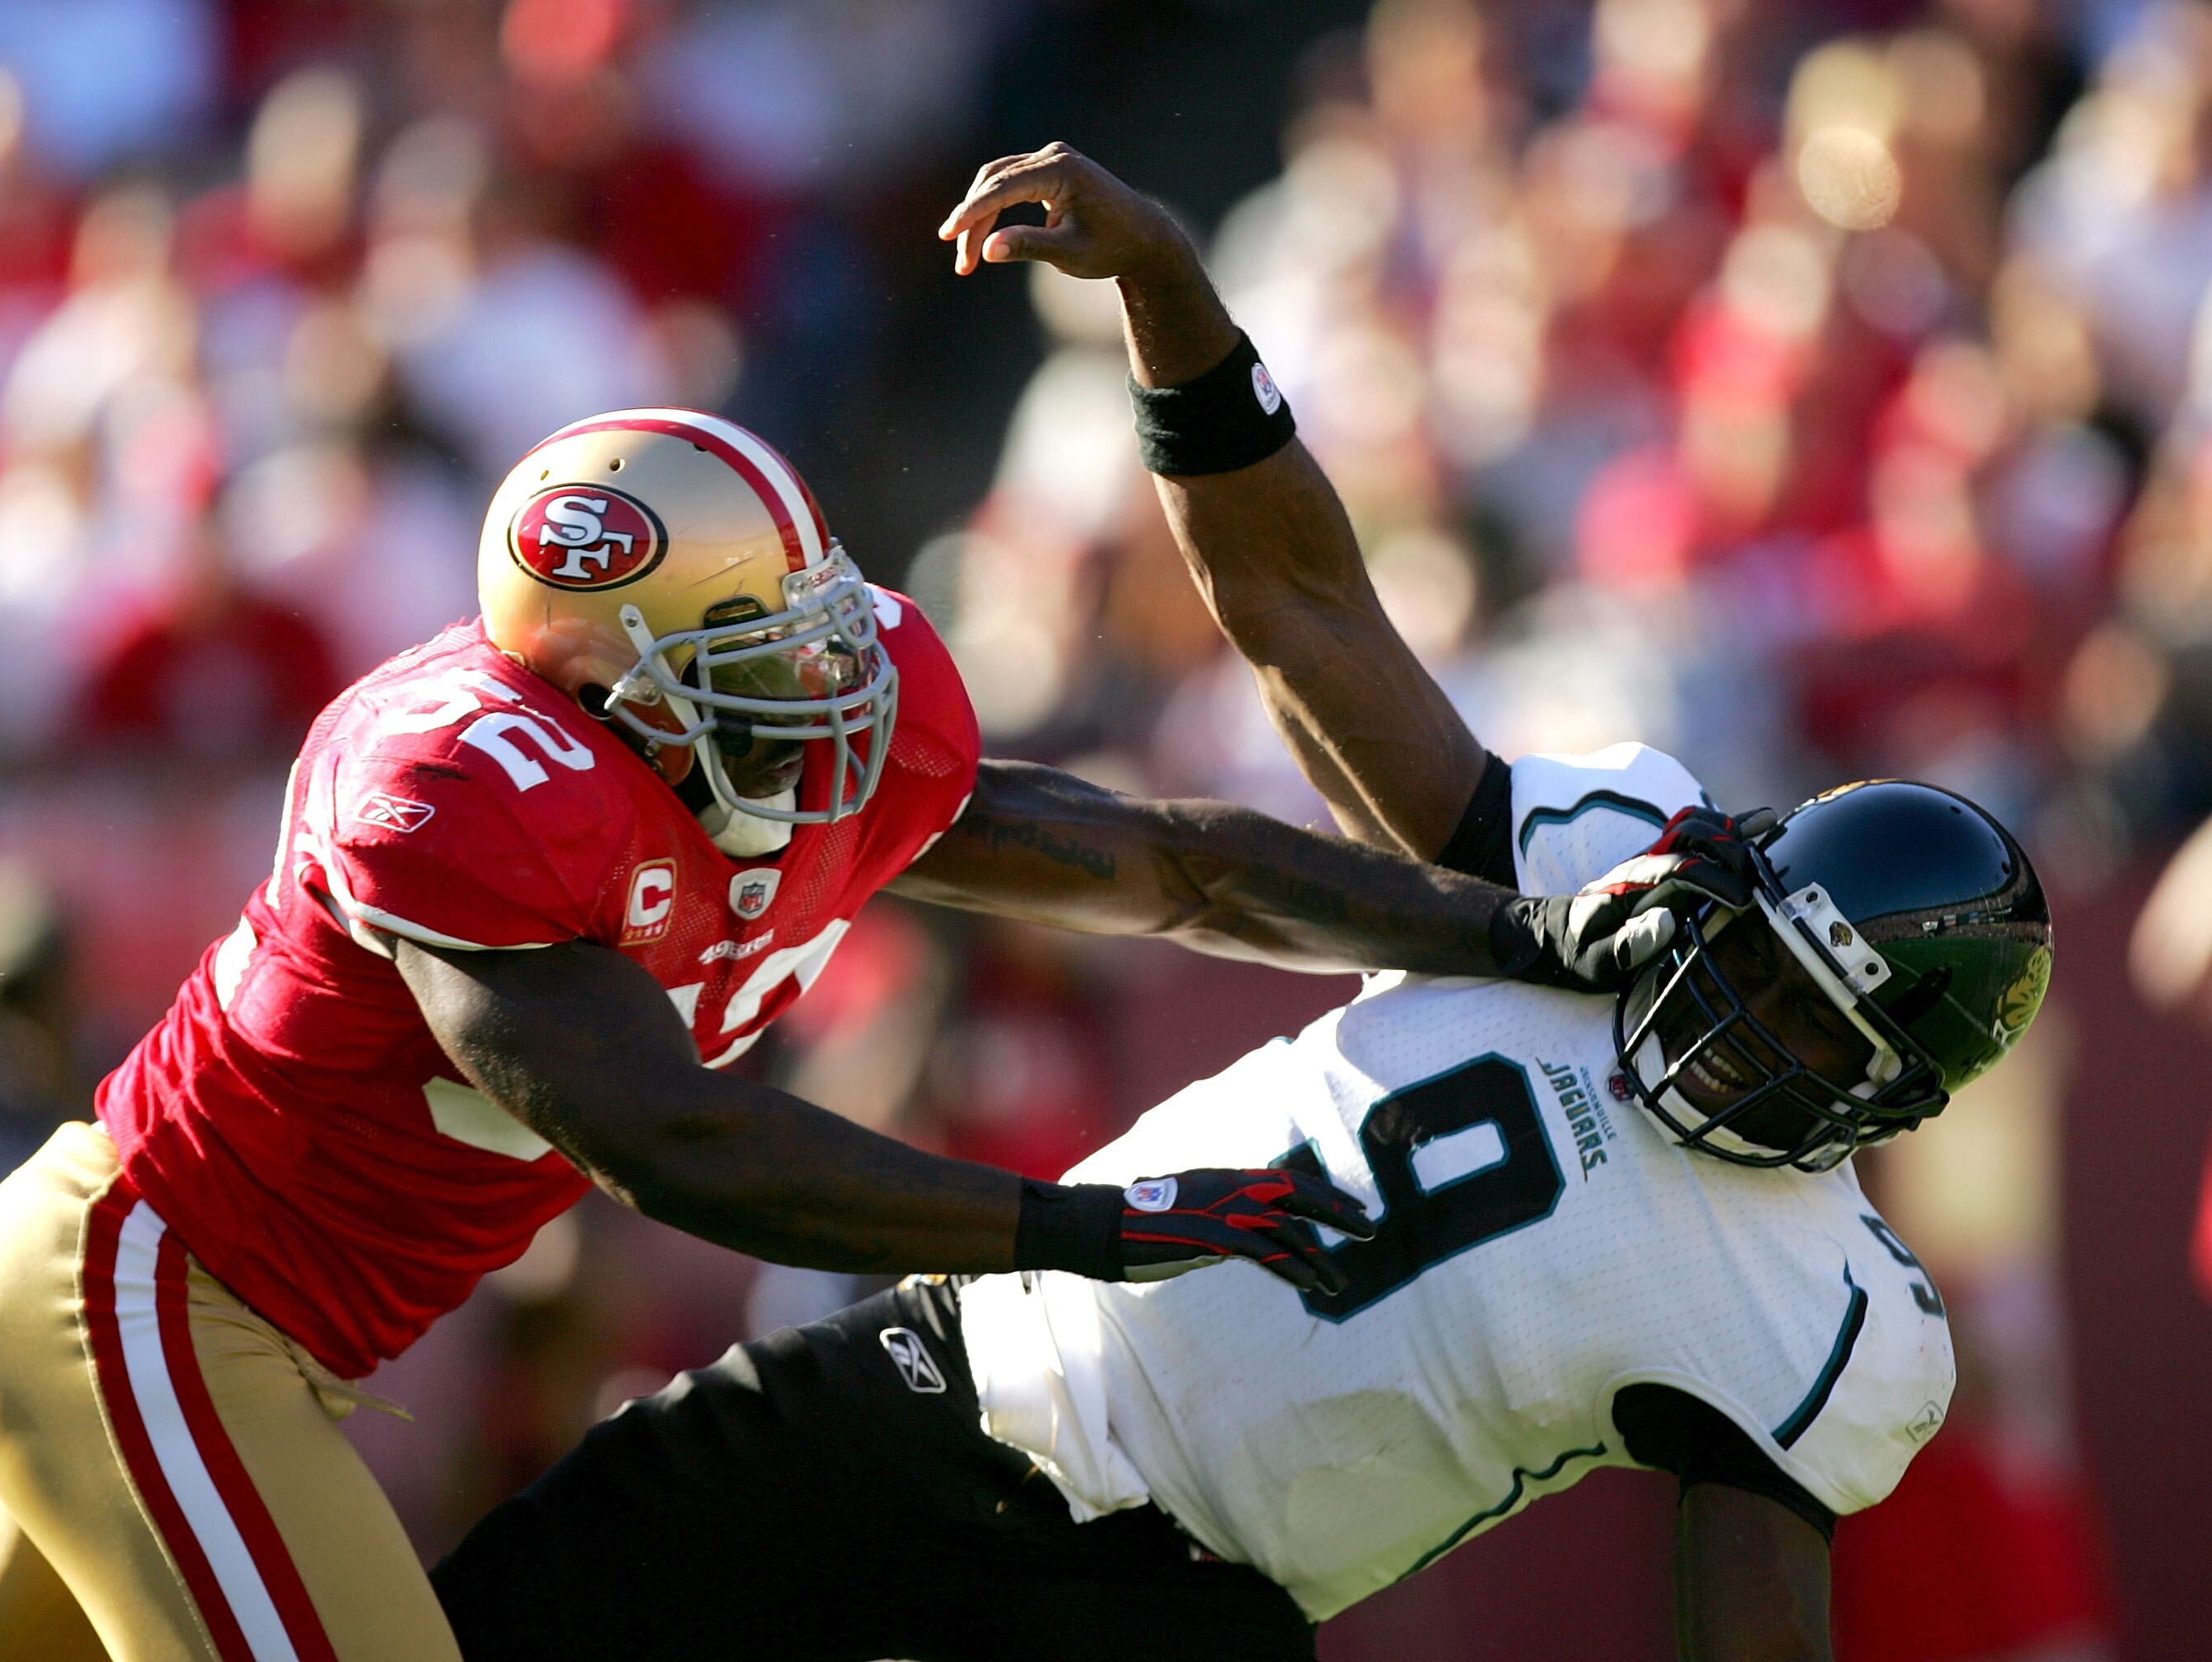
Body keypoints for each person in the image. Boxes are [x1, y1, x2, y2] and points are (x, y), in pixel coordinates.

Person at [427, 149, 2057, 1662]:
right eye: (1759, 964)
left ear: (1887, 1100)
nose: (1737, 1019)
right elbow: (1300, 612)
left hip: (1182, 1596)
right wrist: (1173, 297)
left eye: (1803, 1030)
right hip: (975, 1371)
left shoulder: (1824, 1306)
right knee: (499, 1606)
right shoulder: (1605, 870)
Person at [0, 402, 1683, 1662]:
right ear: (599, 682)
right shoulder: (469, 789)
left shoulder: (823, 744)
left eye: (824, 628)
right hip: (147, 1293)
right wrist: (1083, 1230)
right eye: (756, 651)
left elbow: (1166, 867)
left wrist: (1523, 928)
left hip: (264, 1331)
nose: (832, 684)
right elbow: (674, 1138)